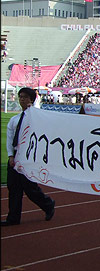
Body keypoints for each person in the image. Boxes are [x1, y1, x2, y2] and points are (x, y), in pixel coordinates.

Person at [2, 88, 56, 226]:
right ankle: (13, 218)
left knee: (29, 188)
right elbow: (10, 140)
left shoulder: (36, 117)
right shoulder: (15, 120)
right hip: (15, 157)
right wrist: (10, 156)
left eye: (25, 97)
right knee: (13, 189)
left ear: (31, 99)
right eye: (20, 97)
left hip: (28, 158)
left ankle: (48, 204)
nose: (22, 100)